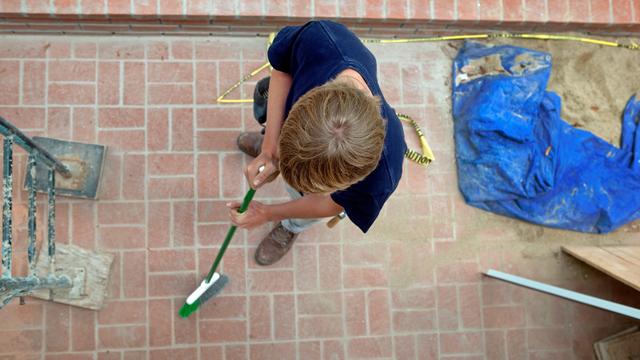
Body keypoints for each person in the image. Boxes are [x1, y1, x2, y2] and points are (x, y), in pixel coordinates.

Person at [227, 20, 407, 266]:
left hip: (314, 184)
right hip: (284, 137)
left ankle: (292, 226)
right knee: (272, 133)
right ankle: (269, 145)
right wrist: (270, 149)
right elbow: (281, 68)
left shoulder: (383, 175)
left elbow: (331, 203)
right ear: (303, 105)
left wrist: (268, 213)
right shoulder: (321, 39)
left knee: (301, 204)